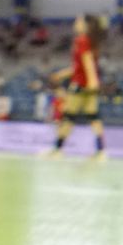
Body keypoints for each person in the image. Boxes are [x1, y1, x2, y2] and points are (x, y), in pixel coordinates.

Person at [48, 15, 107, 159]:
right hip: (89, 86)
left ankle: (57, 149)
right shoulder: (91, 41)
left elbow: (87, 61)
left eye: (78, 21)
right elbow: (78, 67)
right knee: (93, 117)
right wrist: (61, 74)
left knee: (68, 117)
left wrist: (92, 80)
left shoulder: (81, 40)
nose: (75, 22)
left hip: (80, 85)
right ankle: (101, 152)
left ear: (85, 25)